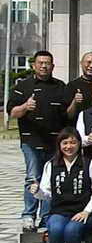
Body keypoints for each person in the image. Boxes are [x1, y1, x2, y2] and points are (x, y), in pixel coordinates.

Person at [30, 127, 92, 243]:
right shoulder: (51, 165)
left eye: (73, 142)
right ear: (59, 145)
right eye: (65, 143)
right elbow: (46, 193)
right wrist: (37, 191)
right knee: (55, 229)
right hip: (59, 211)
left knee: (71, 230)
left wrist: (87, 211)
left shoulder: (90, 164)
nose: (69, 146)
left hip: (83, 211)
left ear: (79, 144)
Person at [8, 51, 68, 232]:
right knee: (33, 177)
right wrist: (25, 107)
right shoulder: (22, 86)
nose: (44, 66)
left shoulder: (60, 86)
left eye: (47, 63)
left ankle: (46, 217)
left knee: (51, 179)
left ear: (52, 66)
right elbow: (12, 113)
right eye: (40, 63)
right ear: (33, 65)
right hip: (31, 141)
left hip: (54, 142)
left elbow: (66, 114)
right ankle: (29, 215)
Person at [65, 52, 92, 121]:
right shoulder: (72, 85)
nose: (91, 66)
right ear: (81, 63)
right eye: (88, 62)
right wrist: (75, 102)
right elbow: (68, 115)